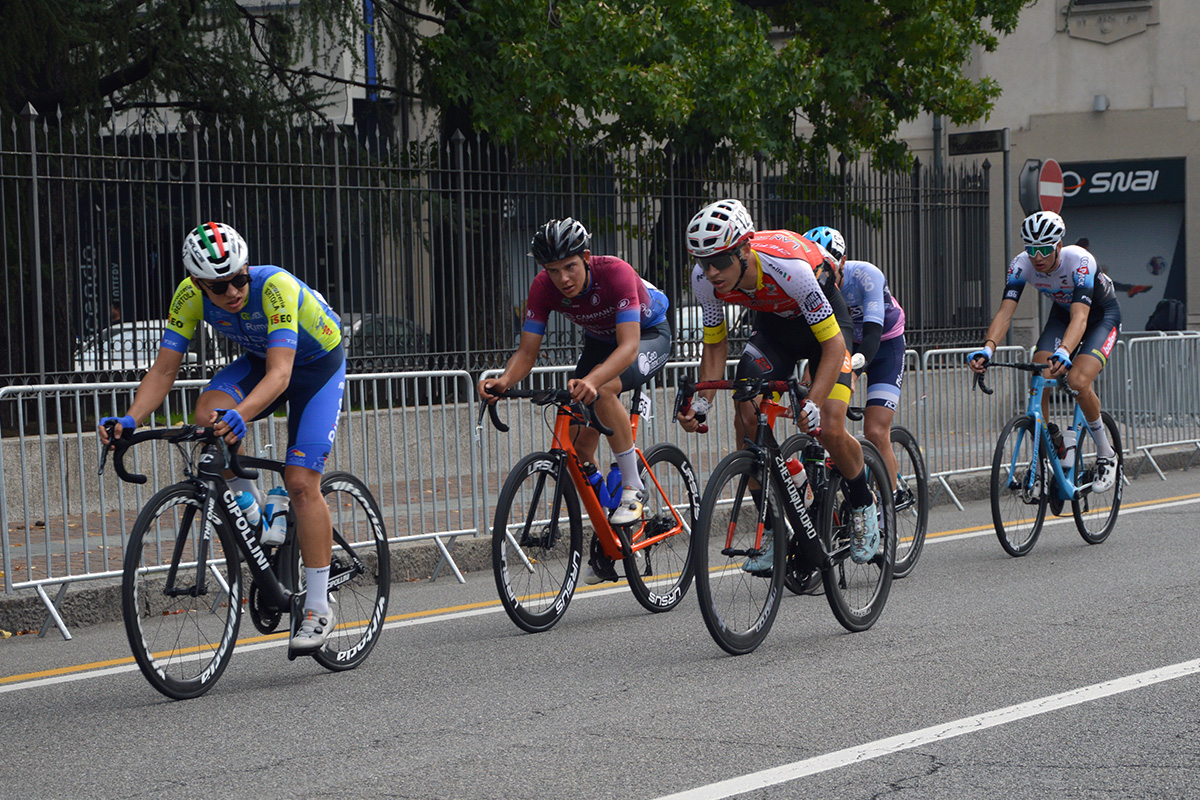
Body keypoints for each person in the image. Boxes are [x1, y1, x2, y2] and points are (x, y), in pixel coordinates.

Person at [98, 221, 346, 651]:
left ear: (247, 268)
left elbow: (282, 374)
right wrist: (131, 419)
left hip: (315, 367)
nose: (231, 291)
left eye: (237, 279)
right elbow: (163, 370)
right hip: (259, 360)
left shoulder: (275, 288)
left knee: (302, 481)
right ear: (197, 283)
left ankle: (319, 606)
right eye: (218, 286)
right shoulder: (188, 296)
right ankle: (256, 509)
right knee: (206, 412)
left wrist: (240, 416)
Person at [675, 199, 880, 567]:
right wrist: (702, 400)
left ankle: (864, 503)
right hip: (775, 331)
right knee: (746, 415)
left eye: (720, 261)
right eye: (703, 262)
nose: (712, 272)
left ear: (744, 248)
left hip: (826, 333)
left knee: (830, 425)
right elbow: (716, 342)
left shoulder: (789, 269)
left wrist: (813, 402)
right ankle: (773, 525)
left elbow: (833, 346)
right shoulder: (704, 281)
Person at [478, 218, 671, 584]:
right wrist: (503, 380)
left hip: (646, 334)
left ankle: (632, 486)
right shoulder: (542, 288)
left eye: (570, 267)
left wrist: (594, 380)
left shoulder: (615, 272)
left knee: (605, 389)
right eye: (553, 270)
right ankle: (609, 528)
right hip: (600, 342)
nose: (563, 278)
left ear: (586, 257)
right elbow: (527, 351)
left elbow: (628, 346)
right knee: (580, 449)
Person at [968, 210, 1121, 493]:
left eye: (1044, 249)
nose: (1037, 257)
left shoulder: (1081, 261)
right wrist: (988, 349)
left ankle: (1106, 453)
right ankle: (1050, 446)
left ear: (1059, 246)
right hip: (1062, 316)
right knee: (1039, 371)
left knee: (1077, 381)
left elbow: (1082, 318)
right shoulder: (1021, 264)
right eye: (1031, 249)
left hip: (1099, 317)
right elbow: (1005, 313)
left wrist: (1065, 350)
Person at [803, 226, 908, 503]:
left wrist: (855, 373)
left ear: (843, 263)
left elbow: (873, 335)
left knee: (875, 430)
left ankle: (890, 499)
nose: (822, 275)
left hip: (884, 344)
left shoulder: (866, 275)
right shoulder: (810, 282)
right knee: (826, 420)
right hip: (845, 342)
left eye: (828, 268)